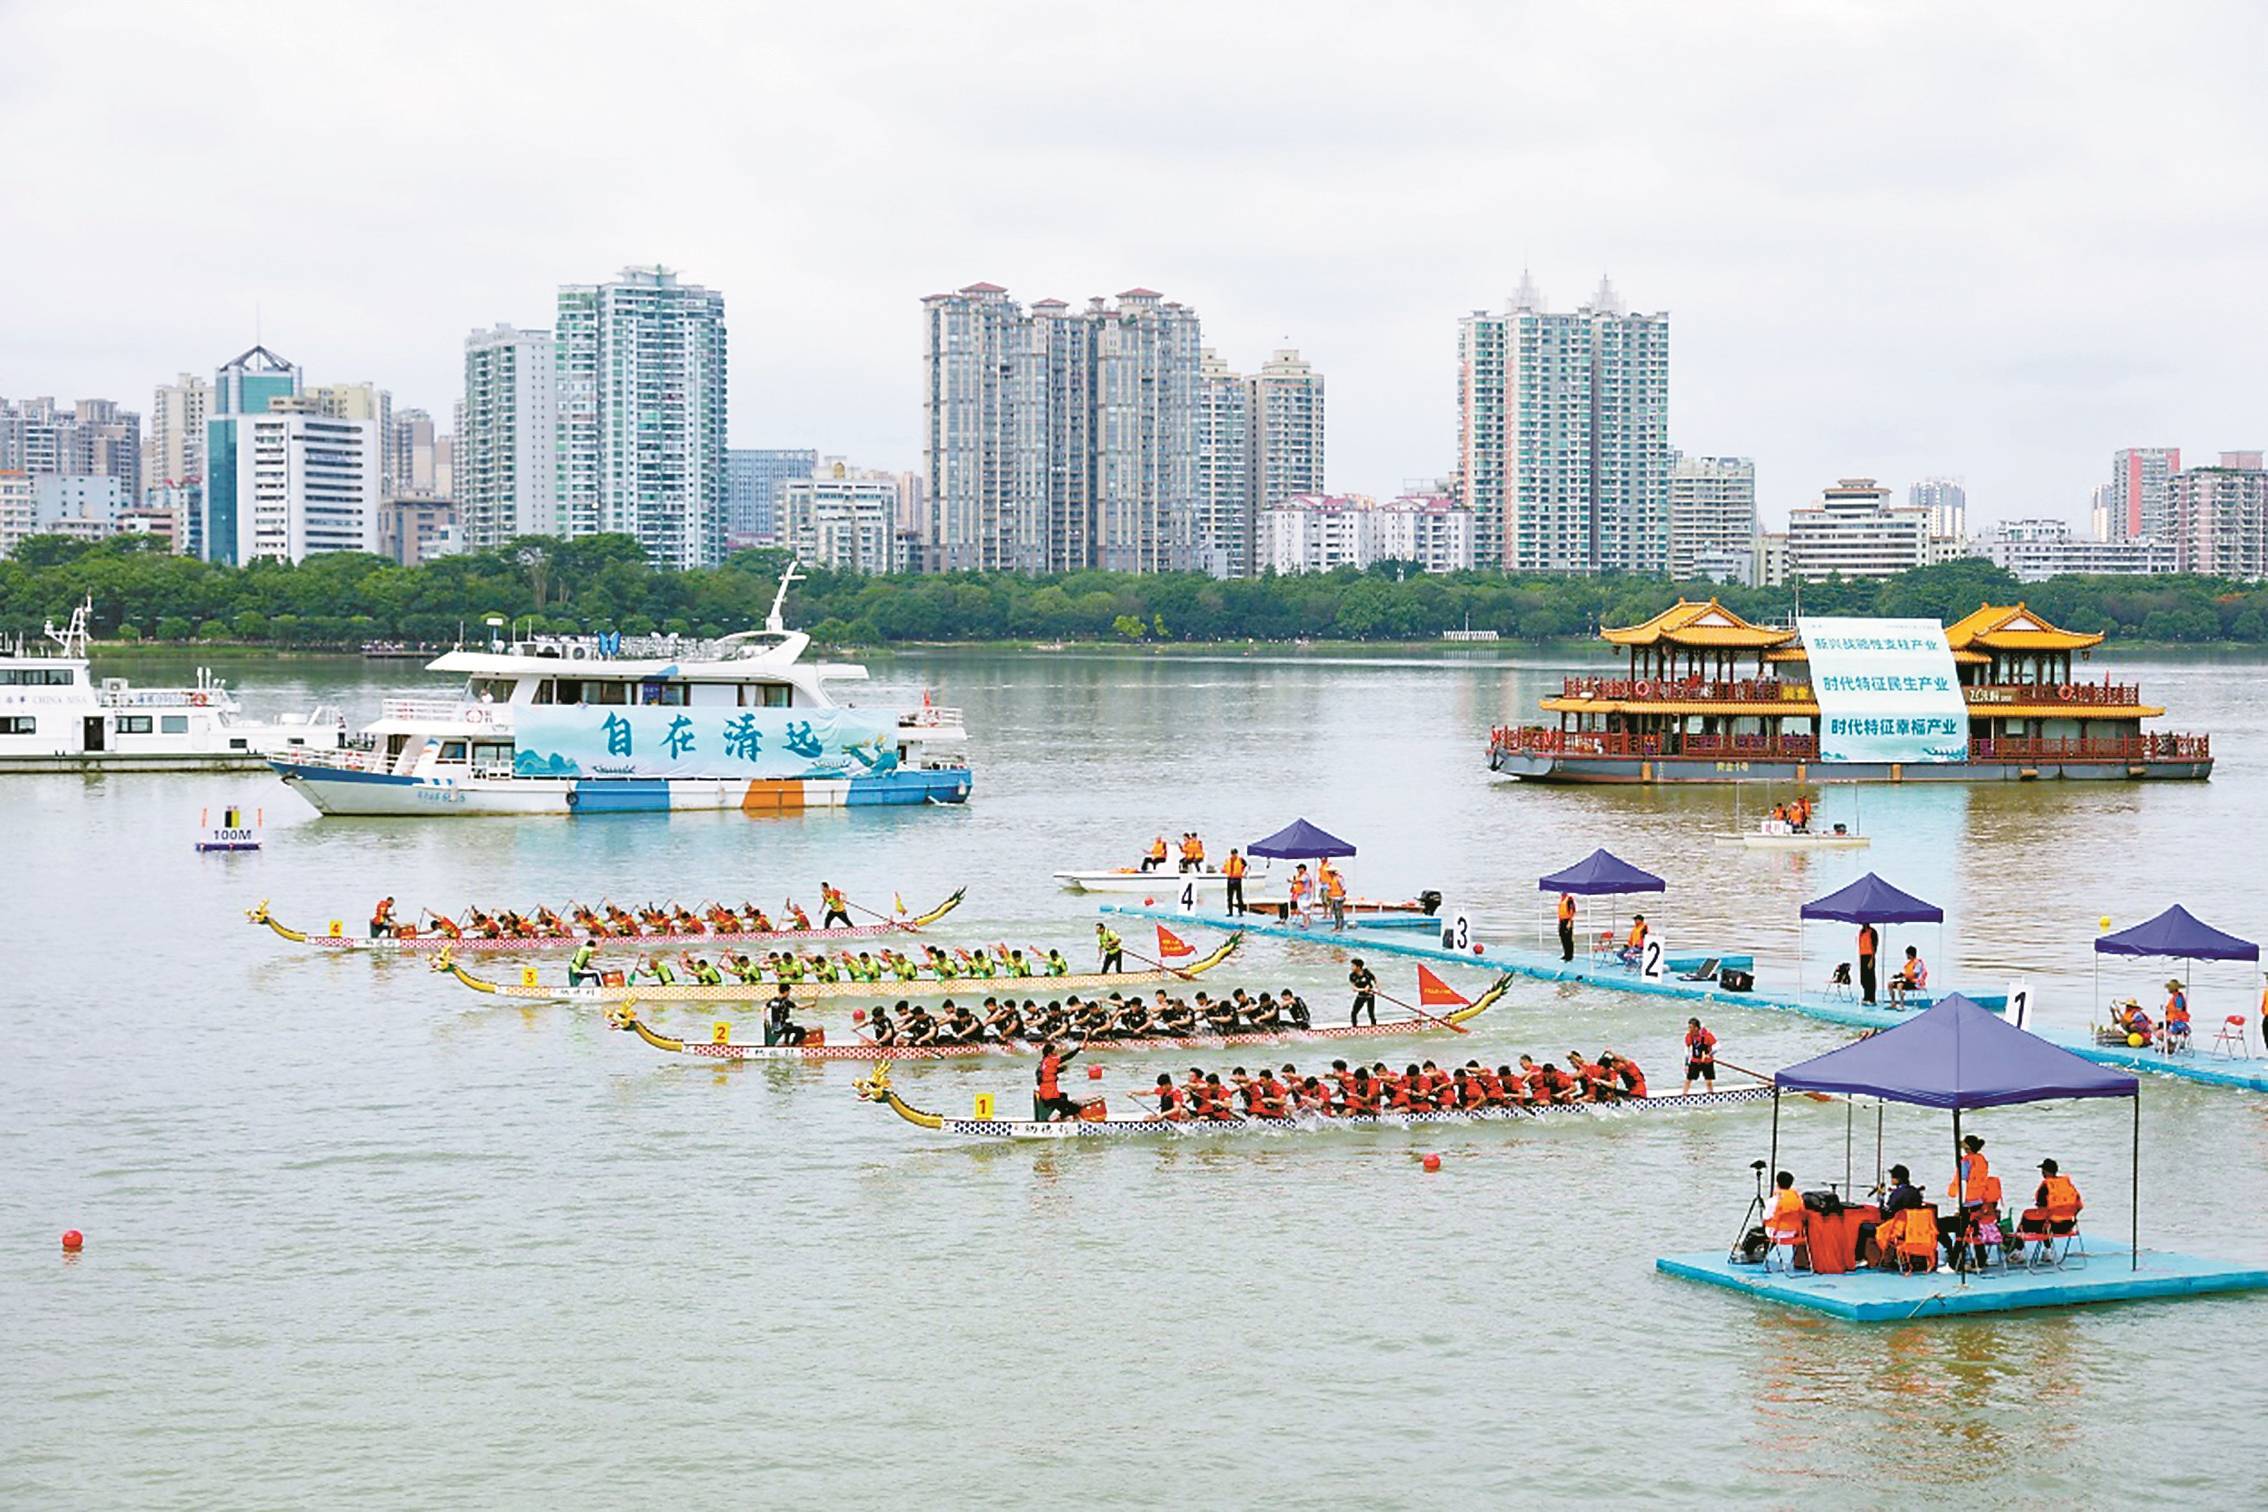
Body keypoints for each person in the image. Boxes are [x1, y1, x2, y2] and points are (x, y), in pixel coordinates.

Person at [1858, 1163, 1923, 1268]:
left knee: (1864, 1227)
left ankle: (1863, 1258)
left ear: (1898, 1179)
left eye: (1893, 1177)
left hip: (1897, 1228)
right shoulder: (1915, 1192)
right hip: (1913, 1228)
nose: (1891, 1179)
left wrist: (1882, 1197)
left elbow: (1885, 1213)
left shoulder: (1898, 1193)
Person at [2018, 1158, 2084, 1257]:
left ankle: (2018, 1251)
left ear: (2045, 1171)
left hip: (2051, 1226)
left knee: (2025, 1223)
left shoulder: (2046, 1187)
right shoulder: (2067, 1184)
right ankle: (2048, 1251)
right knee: (2046, 1220)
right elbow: (2079, 1206)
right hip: (2068, 1225)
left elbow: (2041, 1210)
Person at [1765, 1170, 1810, 1269]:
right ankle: (1800, 1263)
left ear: (1777, 1183)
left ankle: (1755, 1256)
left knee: (1755, 1234)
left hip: (1776, 1233)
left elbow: (1766, 1218)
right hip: (1794, 1234)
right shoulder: (1798, 1199)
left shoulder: (1772, 1201)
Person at [1682, 1018, 1717, 1094]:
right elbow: (1687, 1051)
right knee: (1688, 1079)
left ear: (1696, 1028)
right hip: (1695, 1061)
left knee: (1708, 1081)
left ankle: (1710, 1094)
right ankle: (1684, 1095)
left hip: (1707, 1061)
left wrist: (1709, 1055)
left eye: (1691, 1027)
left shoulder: (1707, 1035)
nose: (1689, 1029)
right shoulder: (1689, 1035)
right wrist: (1686, 1064)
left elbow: (1717, 1046)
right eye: (1689, 1027)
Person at [2161, 982, 2192, 1049]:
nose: (2168, 989)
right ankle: (2168, 1044)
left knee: (2161, 1029)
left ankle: (2170, 1045)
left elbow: (2179, 1009)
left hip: (2177, 1021)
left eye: (2169, 988)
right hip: (2172, 1019)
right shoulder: (2175, 997)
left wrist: (2167, 1008)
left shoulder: (2178, 998)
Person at [1348, 958, 1378, 1026]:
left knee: (1371, 1013)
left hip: (1370, 995)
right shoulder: (1352, 976)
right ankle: (1354, 1027)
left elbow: (1374, 979)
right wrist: (1363, 989)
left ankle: (1374, 1025)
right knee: (1354, 1013)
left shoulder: (1367, 972)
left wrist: (1377, 989)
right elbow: (1354, 988)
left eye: (1353, 965)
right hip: (1361, 996)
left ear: (1358, 967)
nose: (1351, 967)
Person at [1856, 921, 1879, 1005]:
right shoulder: (1861, 932)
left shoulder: (1872, 932)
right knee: (1863, 978)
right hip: (1862, 956)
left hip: (1870, 956)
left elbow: (1874, 946)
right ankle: (1866, 996)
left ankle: (1871, 998)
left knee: (1870, 978)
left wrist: (1872, 959)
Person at [1223, 849, 1248, 915]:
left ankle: (1240, 912)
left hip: (1237, 879)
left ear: (1237, 854)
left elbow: (1246, 866)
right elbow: (1225, 868)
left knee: (1239, 897)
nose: (1234, 855)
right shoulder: (1228, 860)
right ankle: (1230, 912)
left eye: (1235, 854)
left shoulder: (1240, 860)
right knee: (1229, 897)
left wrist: (1244, 873)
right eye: (1232, 854)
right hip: (1230, 879)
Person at [1557, 891, 1577, 962]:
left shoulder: (1569, 900)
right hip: (1562, 921)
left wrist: (1570, 921)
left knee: (1568, 938)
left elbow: (1572, 911)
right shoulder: (1561, 900)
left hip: (1568, 920)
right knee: (1562, 937)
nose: (1562, 894)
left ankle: (1569, 956)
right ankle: (1565, 954)